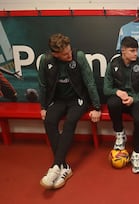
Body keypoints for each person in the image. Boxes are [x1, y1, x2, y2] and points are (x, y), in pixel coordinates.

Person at [38, 33, 101, 189]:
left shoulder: (78, 56)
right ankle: (64, 166)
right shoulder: (46, 60)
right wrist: (43, 107)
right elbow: (42, 85)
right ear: (55, 54)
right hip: (58, 100)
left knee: (70, 122)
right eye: (65, 54)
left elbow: (90, 82)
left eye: (69, 50)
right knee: (49, 121)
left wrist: (97, 107)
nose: (69, 55)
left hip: (78, 99)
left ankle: (56, 166)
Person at [103, 36, 139, 173]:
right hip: (120, 100)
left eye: (136, 51)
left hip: (135, 100)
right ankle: (120, 134)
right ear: (123, 50)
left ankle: (136, 153)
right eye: (132, 51)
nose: (136, 54)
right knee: (112, 103)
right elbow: (106, 89)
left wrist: (134, 99)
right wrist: (117, 92)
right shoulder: (113, 64)